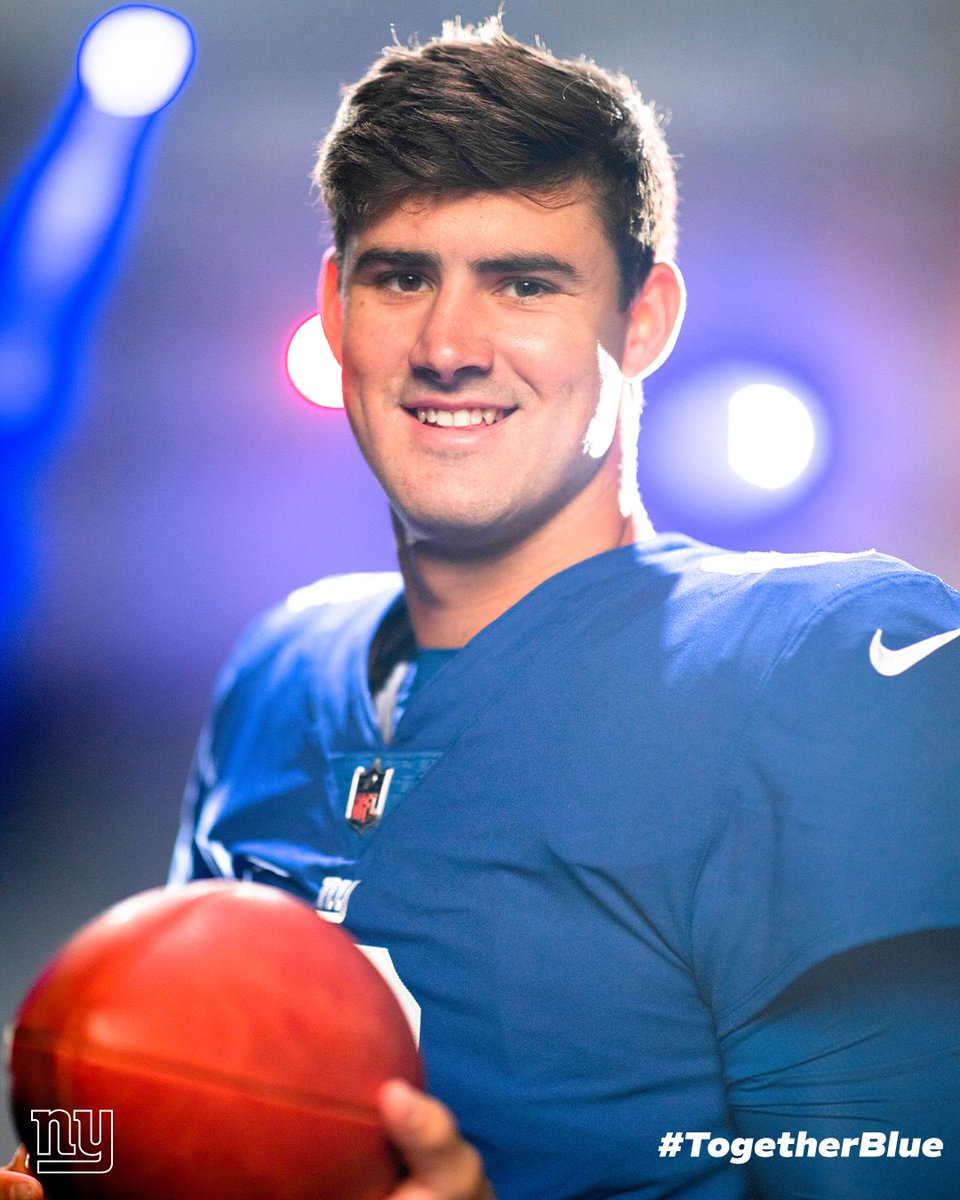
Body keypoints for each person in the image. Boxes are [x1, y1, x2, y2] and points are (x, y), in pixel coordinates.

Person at [4, 16, 959, 1200]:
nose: (448, 344)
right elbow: (186, 1115)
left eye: (524, 283)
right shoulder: (282, 666)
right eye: (401, 276)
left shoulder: (824, 667)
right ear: (336, 308)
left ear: (645, 320)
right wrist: (93, 1171)